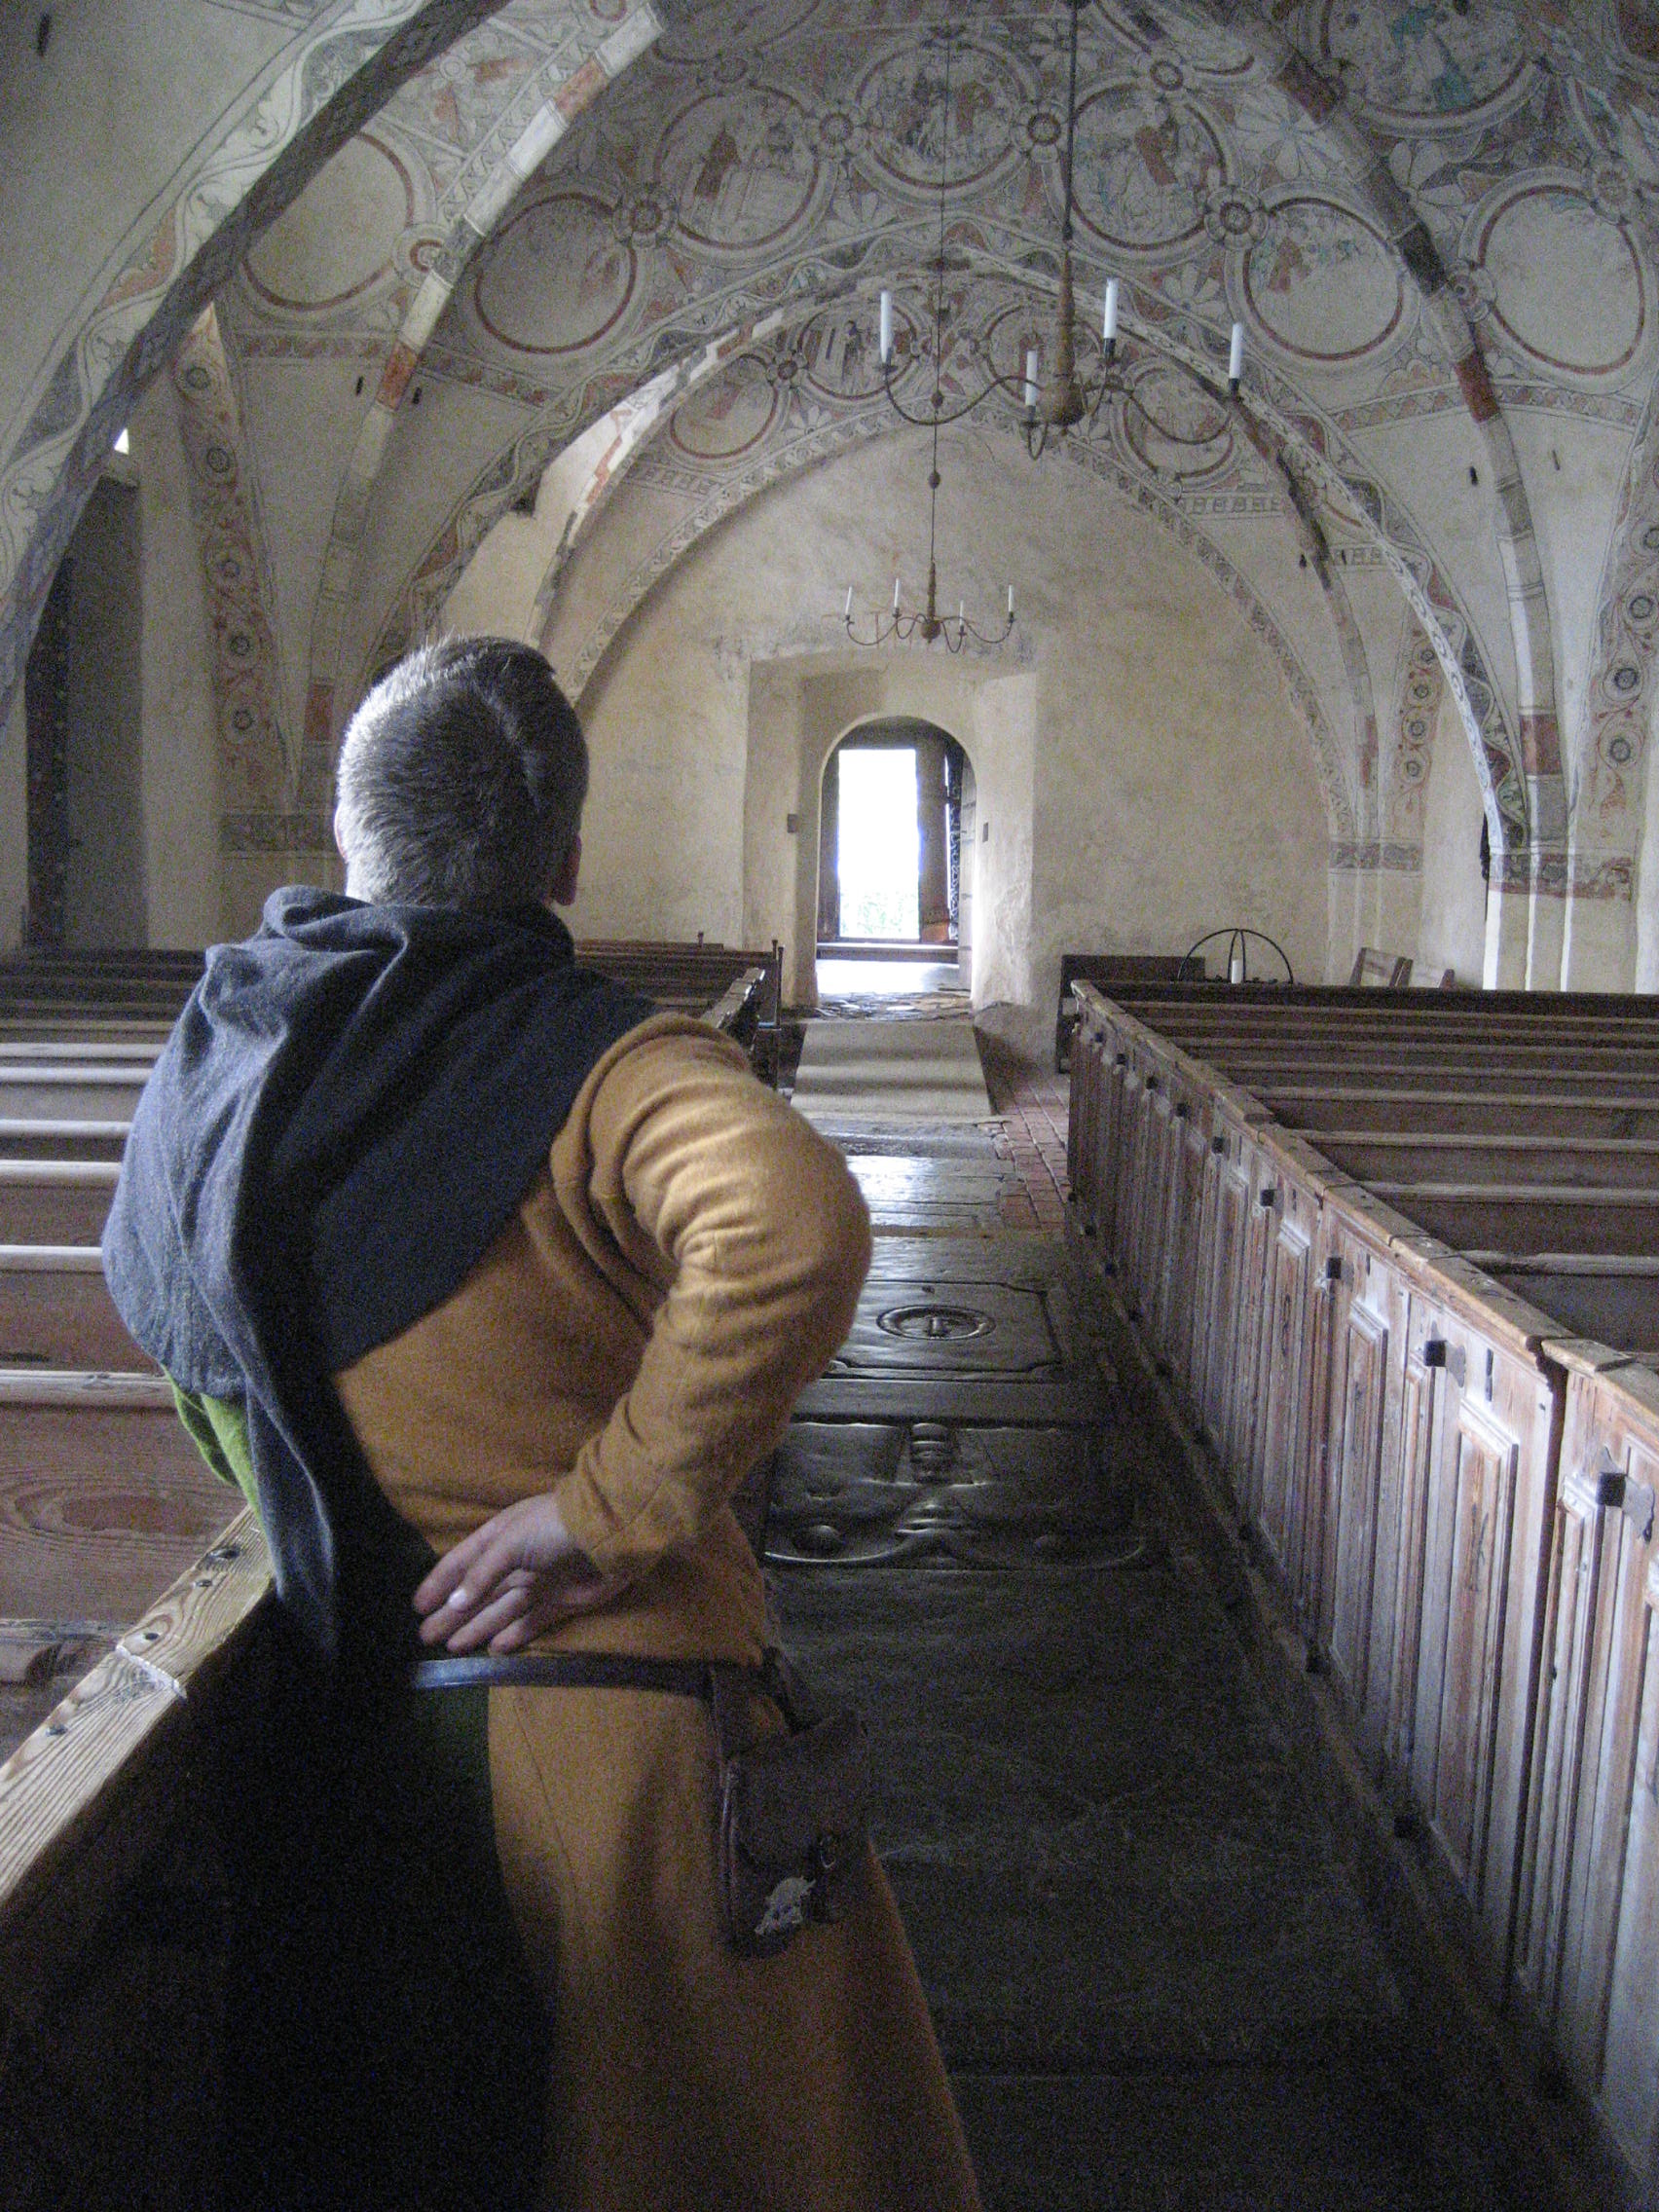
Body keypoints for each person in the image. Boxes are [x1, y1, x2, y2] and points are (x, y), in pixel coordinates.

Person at [103, 636, 981, 2212]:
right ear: (564, 854)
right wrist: (599, 1511)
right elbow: (793, 1222)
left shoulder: (216, 1063)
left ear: (350, 833)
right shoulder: (596, 1058)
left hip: (344, 1755)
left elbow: (195, 1355)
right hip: (613, 1765)